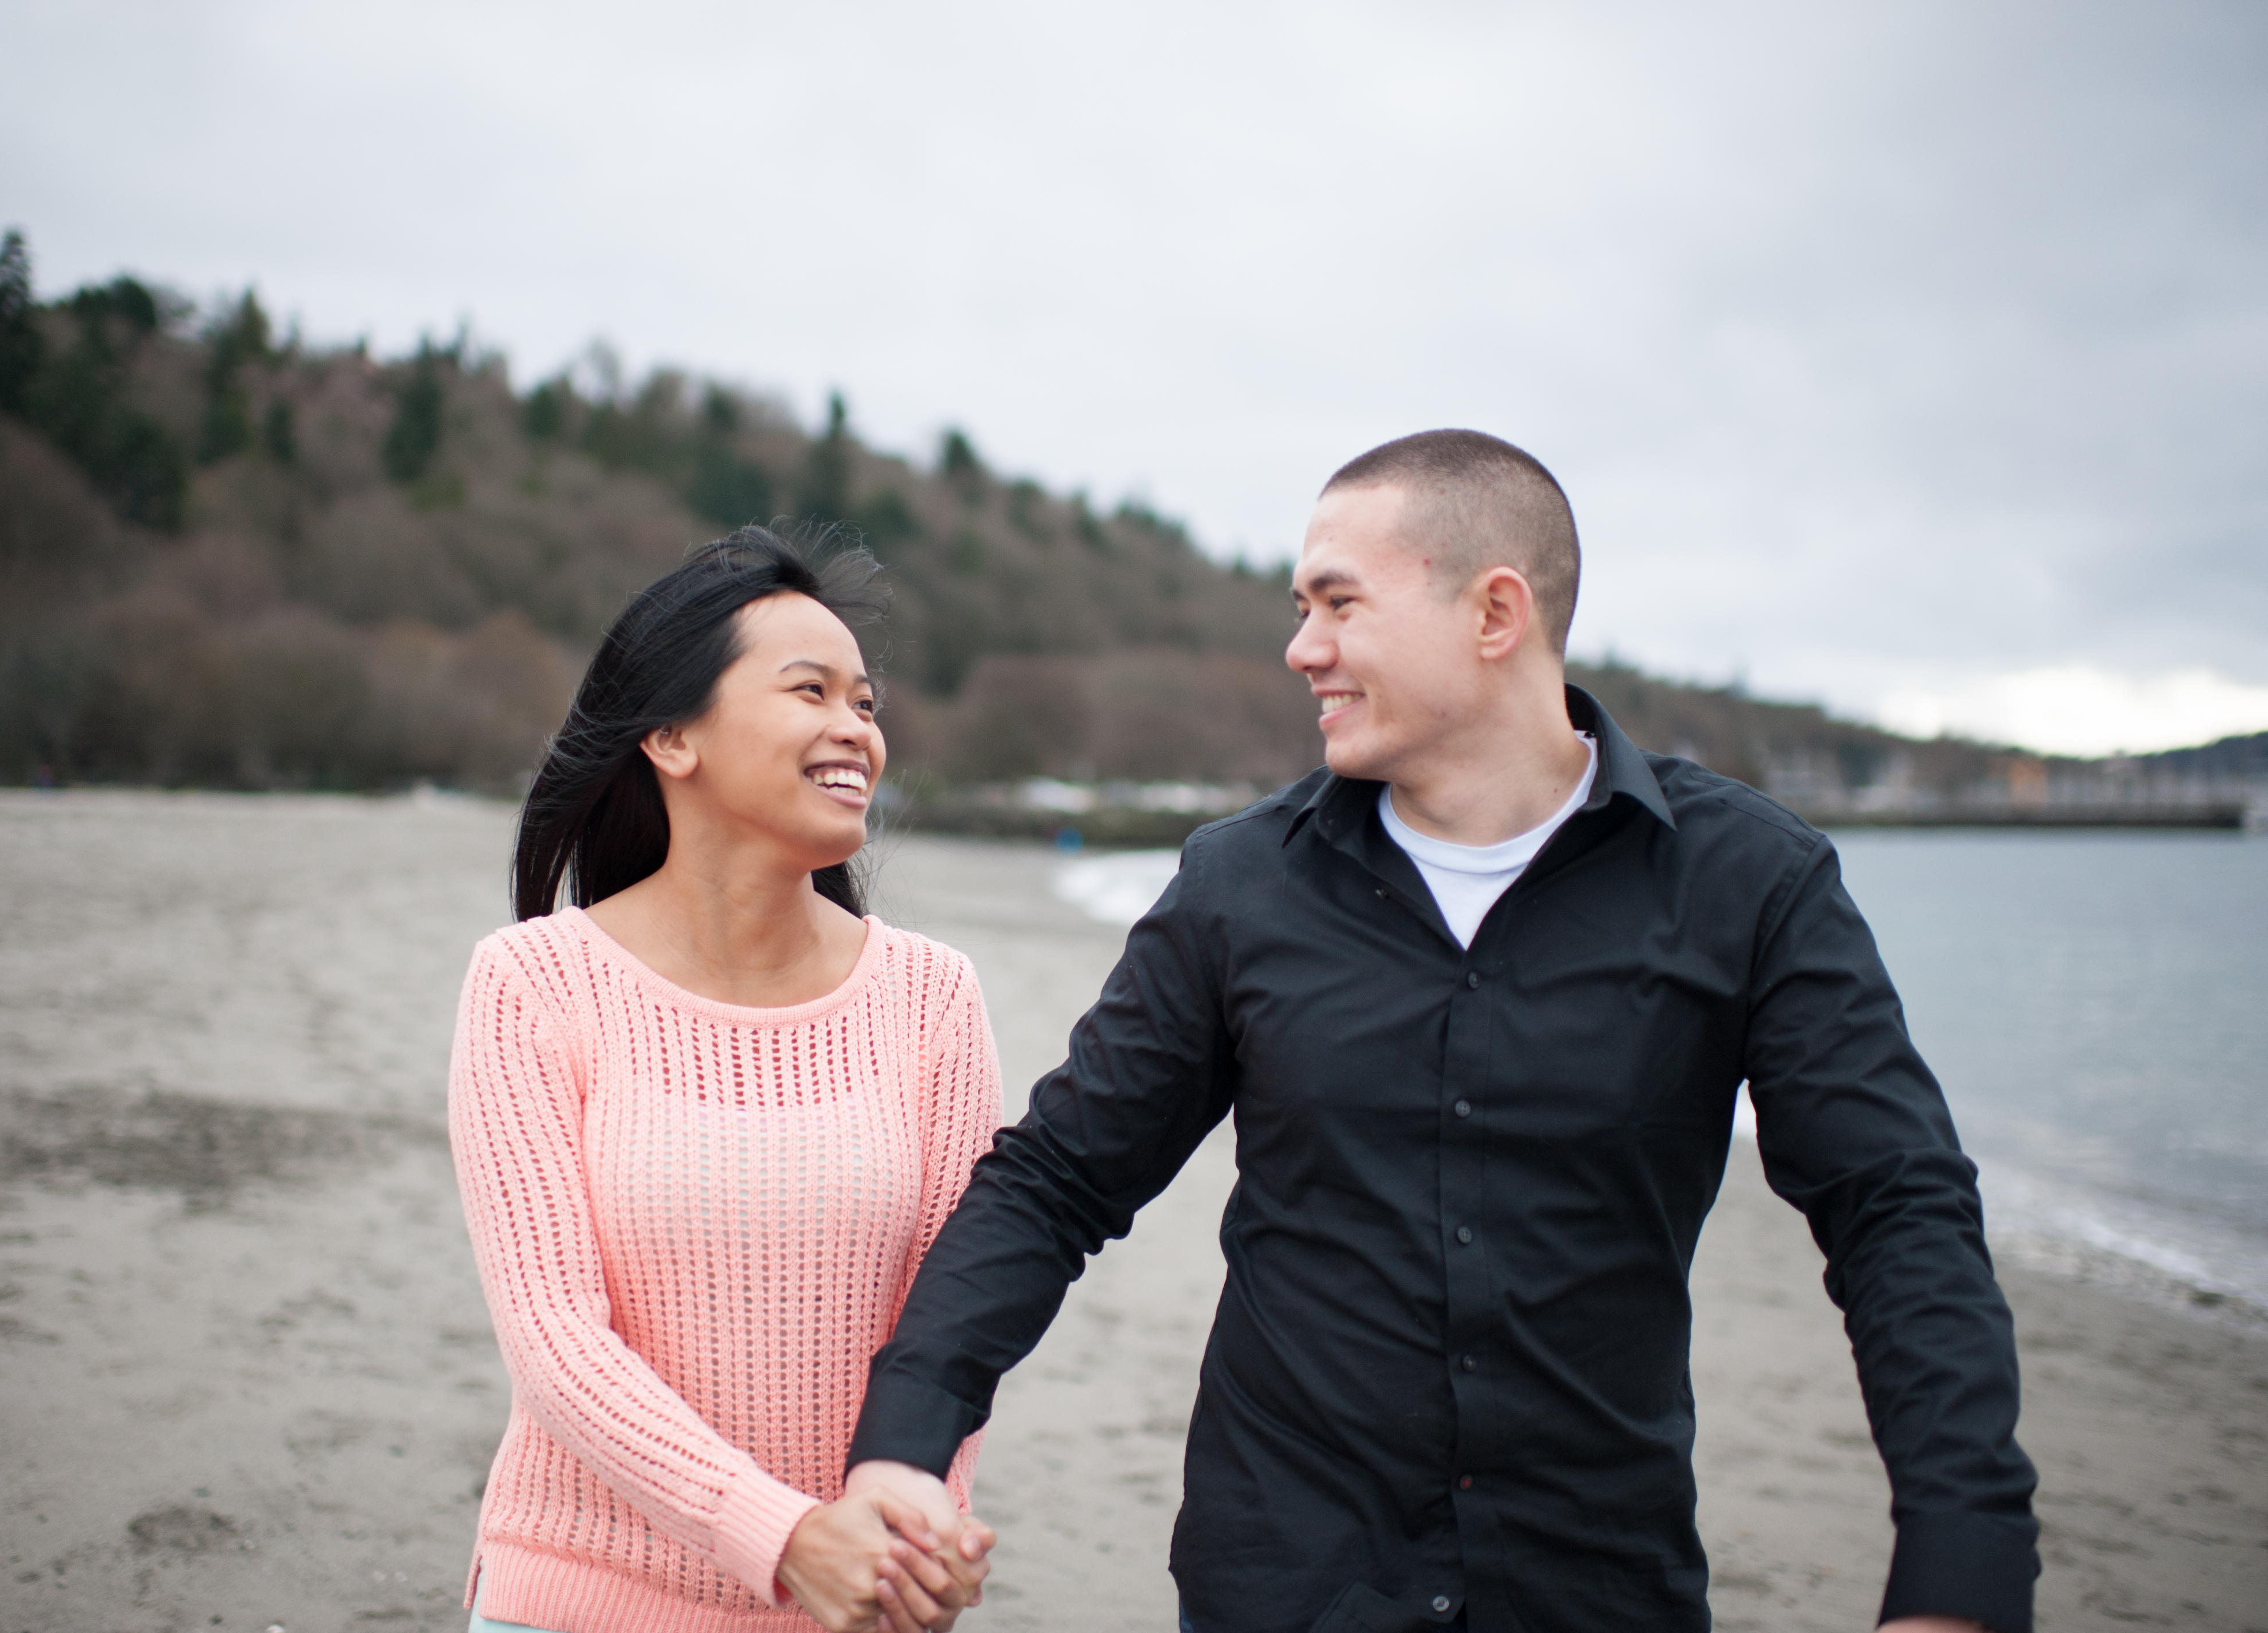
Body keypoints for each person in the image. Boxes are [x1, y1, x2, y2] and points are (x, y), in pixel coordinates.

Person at [844, 432, 2040, 1633]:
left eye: (1338, 604)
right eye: (1301, 607)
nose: (1301, 647)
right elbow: (1057, 1180)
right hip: (1287, 1586)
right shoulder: (1239, 885)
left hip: (1592, 1591)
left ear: (1494, 613)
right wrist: (906, 1438)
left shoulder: (1748, 881)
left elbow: (1895, 1212)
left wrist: (1960, 1572)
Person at [449, 528, 1001, 1633]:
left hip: (855, 1605)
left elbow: (954, 1316)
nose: (856, 729)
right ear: (669, 733)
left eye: (867, 702)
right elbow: (556, 1340)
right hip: (578, 1601)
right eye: (812, 692)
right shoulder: (534, 984)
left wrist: (908, 1533)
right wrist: (785, 1541)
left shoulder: (931, 995)